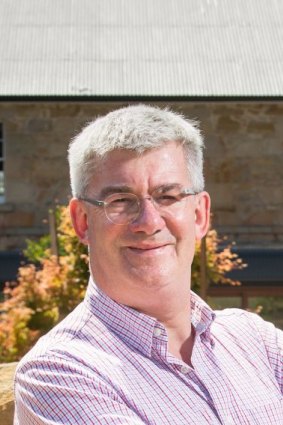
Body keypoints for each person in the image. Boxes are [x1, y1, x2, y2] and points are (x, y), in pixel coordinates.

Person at [14, 105, 283, 425]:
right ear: (82, 221)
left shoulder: (253, 339)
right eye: (121, 201)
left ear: (199, 215)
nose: (149, 222)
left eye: (168, 197)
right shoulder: (58, 373)